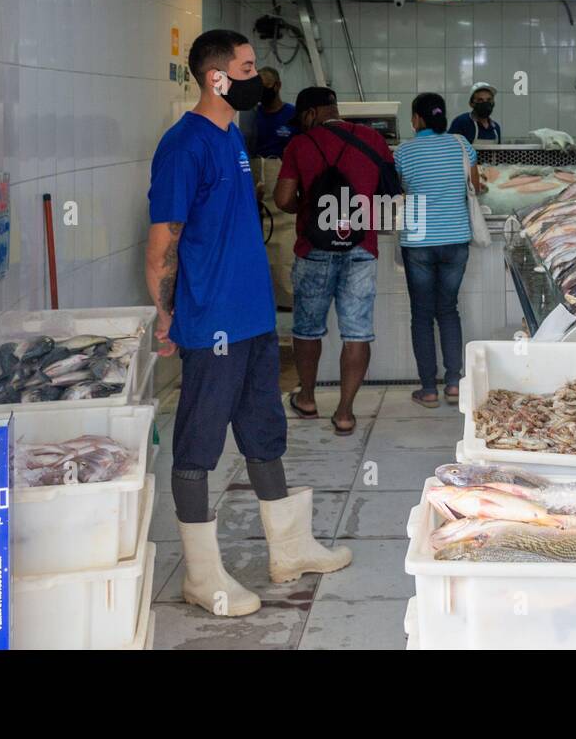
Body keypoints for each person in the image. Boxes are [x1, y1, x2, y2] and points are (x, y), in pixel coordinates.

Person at [146, 30, 350, 617]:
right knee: (198, 445)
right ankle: (201, 574)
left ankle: (289, 549)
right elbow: (163, 243)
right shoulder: (184, 146)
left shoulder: (231, 134)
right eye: (247, 66)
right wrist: (167, 314)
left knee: (264, 430)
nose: (257, 75)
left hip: (253, 318)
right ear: (217, 77)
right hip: (212, 322)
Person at [273, 86, 394, 435]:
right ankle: (344, 413)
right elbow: (388, 196)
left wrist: (310, 211)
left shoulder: (300, 144)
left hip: (314, 249)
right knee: (356, 331)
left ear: (311, 114)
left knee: (307, 328)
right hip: (361, 247)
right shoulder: (373, 139)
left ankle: (308, 398)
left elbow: (282, 199)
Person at [395, 92, 486, 408]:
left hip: (418, 242)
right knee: (448, 309)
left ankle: (428, 389)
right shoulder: (462, 145)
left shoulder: (404, 152)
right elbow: (474, 186)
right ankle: (453, 384)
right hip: (455, 240)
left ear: (417, 119)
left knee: (422, 313)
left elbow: (400, 190)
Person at [251, 66, 298, 309]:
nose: (262, 91)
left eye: (266, 85)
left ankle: (287, 302)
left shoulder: (292, 116)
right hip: (256, 183)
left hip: (282, 183)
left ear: (277, 86)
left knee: (283, 251)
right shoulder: (252, 117)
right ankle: (261, 302)